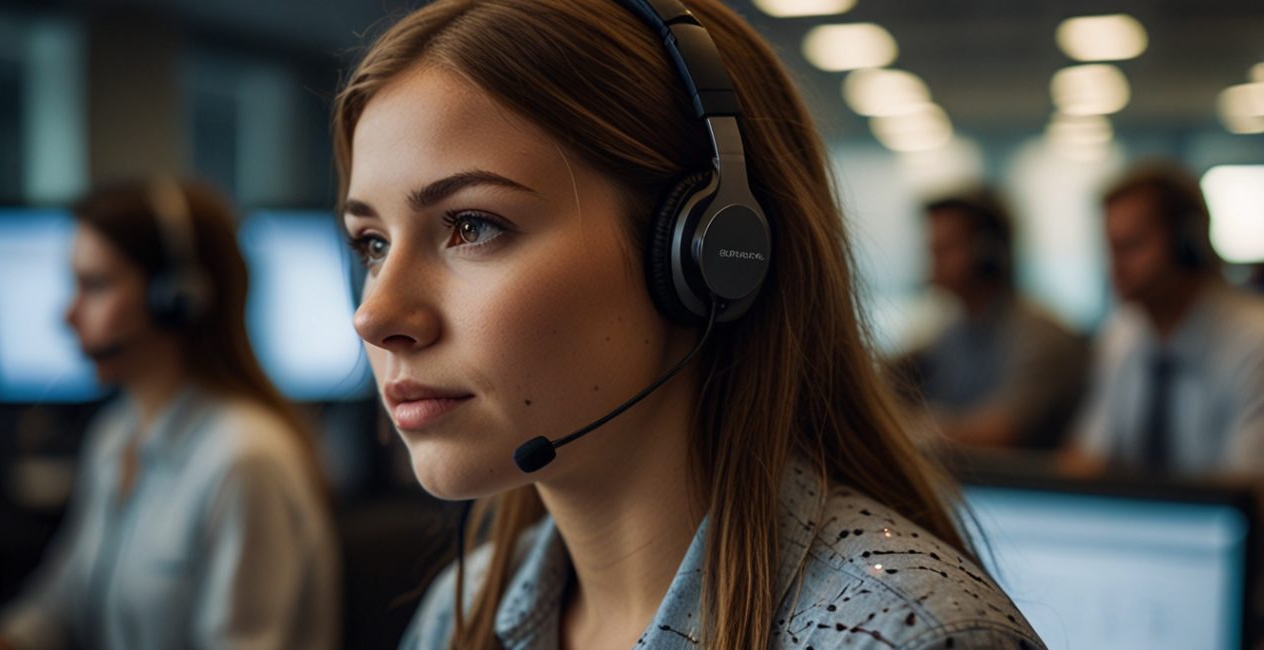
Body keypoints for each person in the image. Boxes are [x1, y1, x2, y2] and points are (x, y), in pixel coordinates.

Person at [335, 1, 1044, 648]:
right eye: (372, 242)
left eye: (471, 225)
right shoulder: (463, 620)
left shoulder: (904, 636)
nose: (376, 316)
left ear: (707, 255)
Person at [0, 180, 340, 650]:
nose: (69, 315)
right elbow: (62, 605)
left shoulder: (244, 460)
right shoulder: (116, 436)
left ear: (177, 298)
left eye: (95, 285)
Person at [1064, 161, 1264, 477]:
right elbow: (1088, 456)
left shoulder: (1254, 343)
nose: (1115, 267)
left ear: (1189, 244)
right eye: (1111, 249)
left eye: (1131, 247)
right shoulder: (1122, 333)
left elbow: (1246, 492)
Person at [891, 188, 1088, 450]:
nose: (932, 261)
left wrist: (908, 428)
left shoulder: (1040, 338)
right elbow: (891, 378)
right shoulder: (951, 335)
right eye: (932, 249)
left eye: (944, 249)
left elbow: (1000, 433)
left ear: (989, 252)